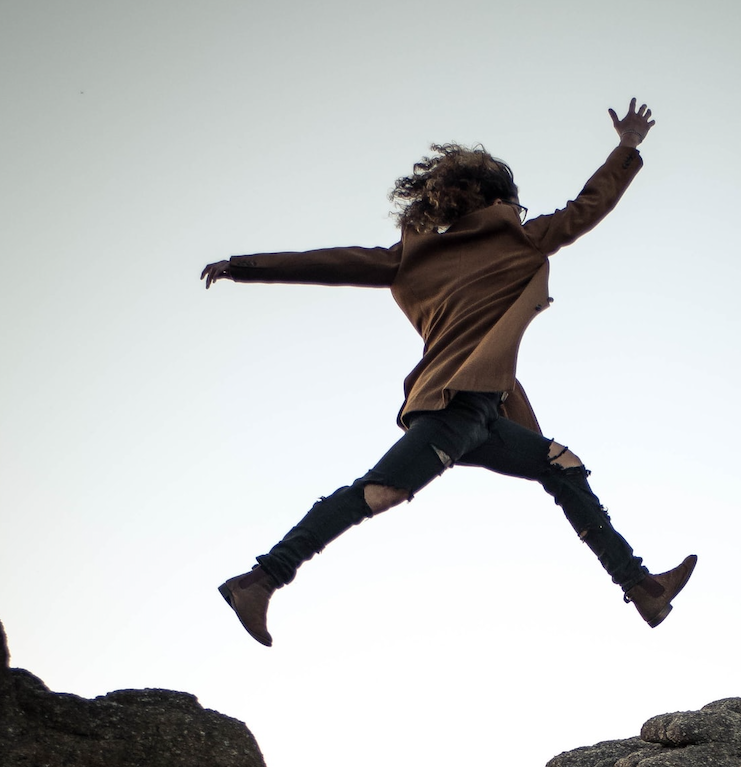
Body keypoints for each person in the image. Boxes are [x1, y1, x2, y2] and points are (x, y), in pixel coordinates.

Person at [201, 98, 696, 647]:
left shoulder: (412, 256)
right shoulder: (518, 239)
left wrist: (243, 267)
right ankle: (262, 579)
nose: (521, 209)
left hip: (484, 411)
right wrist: (626, 148)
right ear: (498, 200)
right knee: (380, 491)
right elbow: (587, 207)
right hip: (452, 407)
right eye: (515, 201)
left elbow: (330, 260)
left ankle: (641, 587)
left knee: (561, 465)